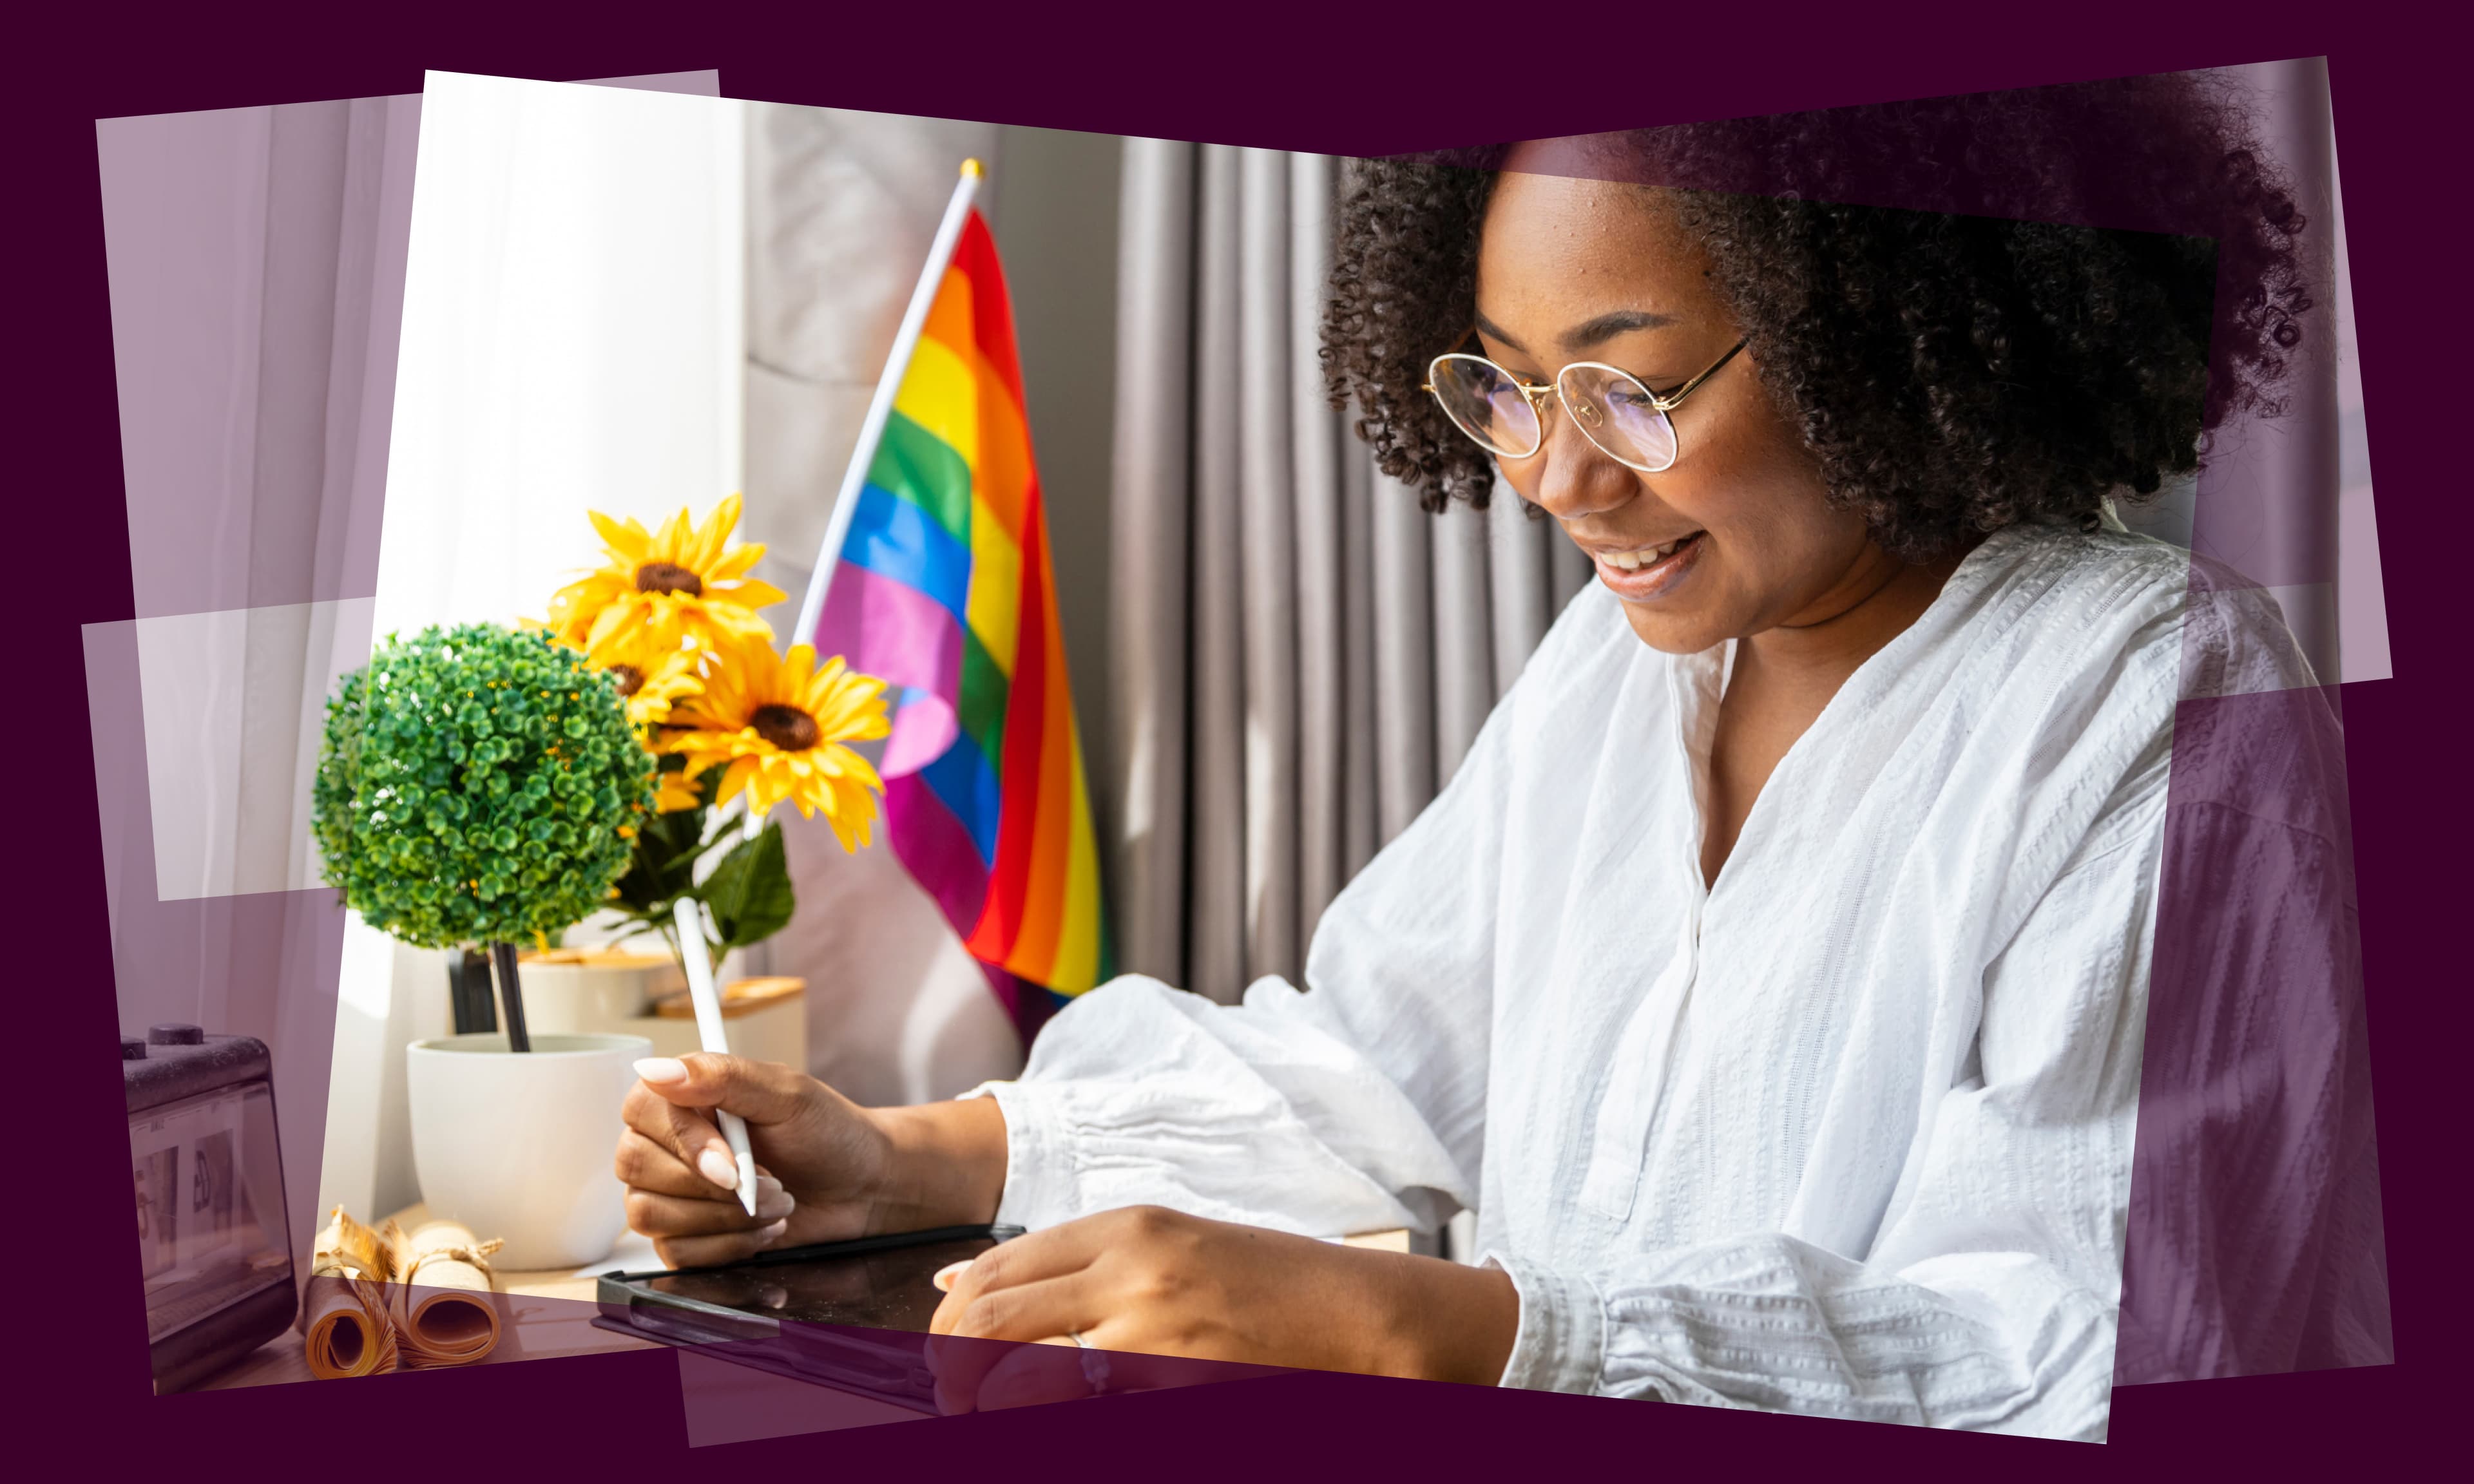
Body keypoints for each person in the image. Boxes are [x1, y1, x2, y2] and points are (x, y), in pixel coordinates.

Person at [614, 72, 2339, 1438]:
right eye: (1506, 385)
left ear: (1896, 333)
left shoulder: (2164, 709)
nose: (1552, 481)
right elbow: (1376, 1072)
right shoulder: (1623, 660)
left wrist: (1426, 1325)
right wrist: (912, 1159)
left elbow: (2093, 1351)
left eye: (1631, 390)